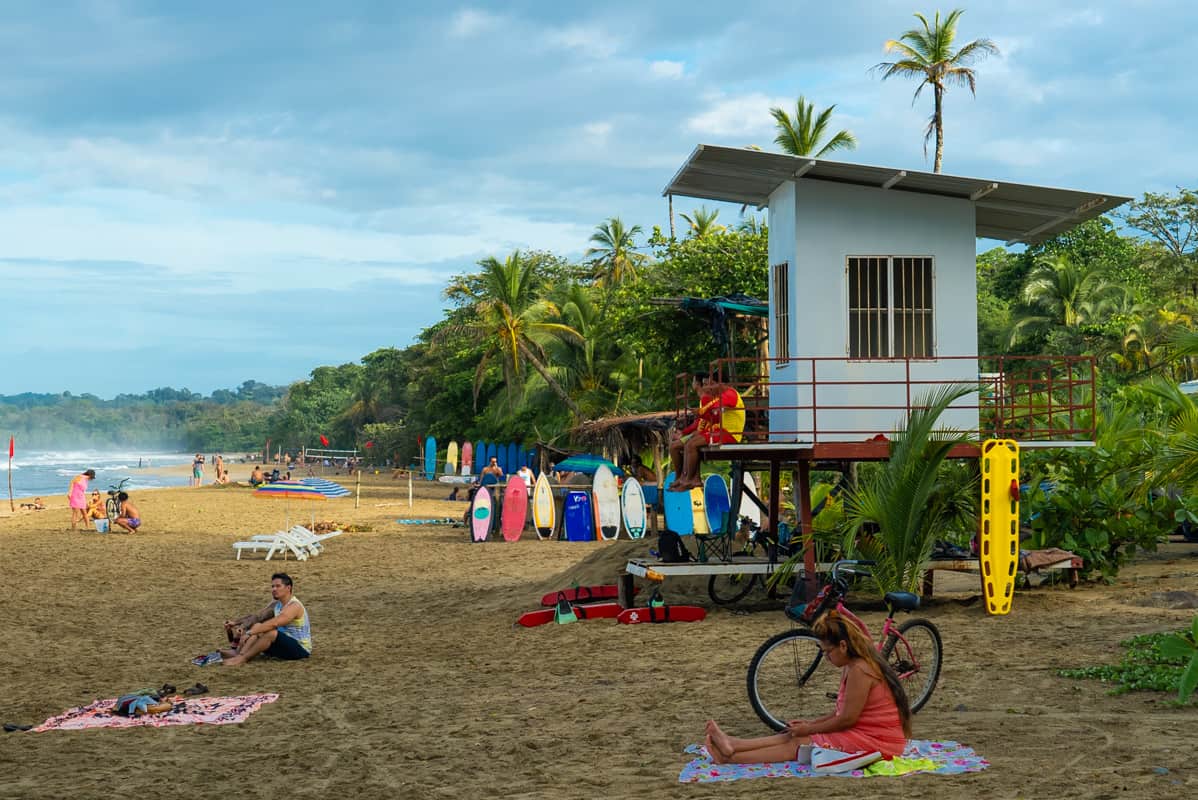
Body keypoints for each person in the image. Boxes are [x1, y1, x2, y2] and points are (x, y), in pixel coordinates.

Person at [704, 610, 911, 767]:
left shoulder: (860, 669)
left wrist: (809, 729)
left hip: (880, 743)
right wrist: (809, 724)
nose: (826, 658)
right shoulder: (852, 665)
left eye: (827, 652)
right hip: (866, 733)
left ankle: (731, 758)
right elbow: (841, 713)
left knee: (801, 743)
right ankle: (733, 745)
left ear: (843, 646)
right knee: (794, 734)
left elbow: (847, 719)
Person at [669, 375, 744, 491]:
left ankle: (688, 479)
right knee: (689, 443)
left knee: (690, 444)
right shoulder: (720, 396)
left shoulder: (730, 394)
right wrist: (700, 414)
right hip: (720, 431)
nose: (709, 388)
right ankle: (688, 478)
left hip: (730, 434)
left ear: (720, 384)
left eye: (711, 384)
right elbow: (710, 414)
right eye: (707, 384)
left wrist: (701, 412)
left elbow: (714, 408)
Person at [220, 573, 312, 667]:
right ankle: (238, 653)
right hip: (283, 645)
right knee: (257, 626)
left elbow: (274, 623)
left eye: (278, 586)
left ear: (288, 588)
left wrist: (249, 633)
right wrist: (235, 622)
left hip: (300, 650)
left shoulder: (294, 606)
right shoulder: (277, 603)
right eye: (272, 586)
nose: (274, 589)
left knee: (271, 632)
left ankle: (242, 658)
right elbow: (258, 616)